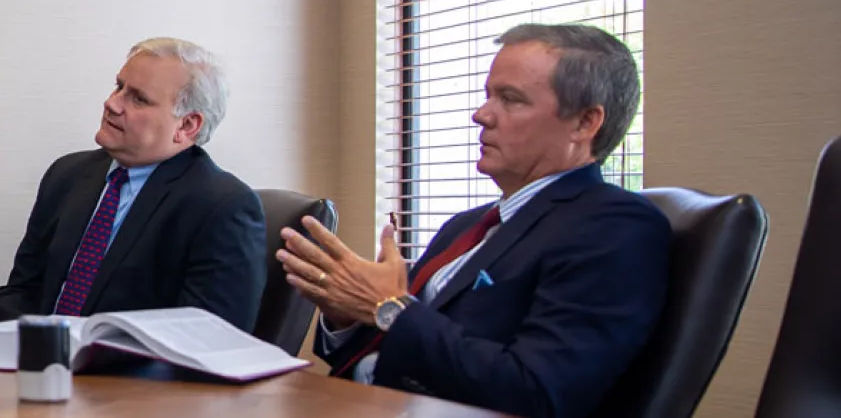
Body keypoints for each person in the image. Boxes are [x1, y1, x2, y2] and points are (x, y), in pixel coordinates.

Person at [279, 24, 666, 418]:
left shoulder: (614, 227)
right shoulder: (465, 226)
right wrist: (346, 313)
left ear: (584, 123)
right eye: (488, 96)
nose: (481, 114)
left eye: (511, 99)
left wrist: (388, 307)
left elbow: (538, 392)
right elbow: (393, 343)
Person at [0, 37, 266, 328]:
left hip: (122, 371)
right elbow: (20, 292)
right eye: (119, 86)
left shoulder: (222, 207)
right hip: (35, 362)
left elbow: (207, 339)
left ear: (186, 126)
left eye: (138, 99)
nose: (112, 103)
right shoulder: (66, 175)